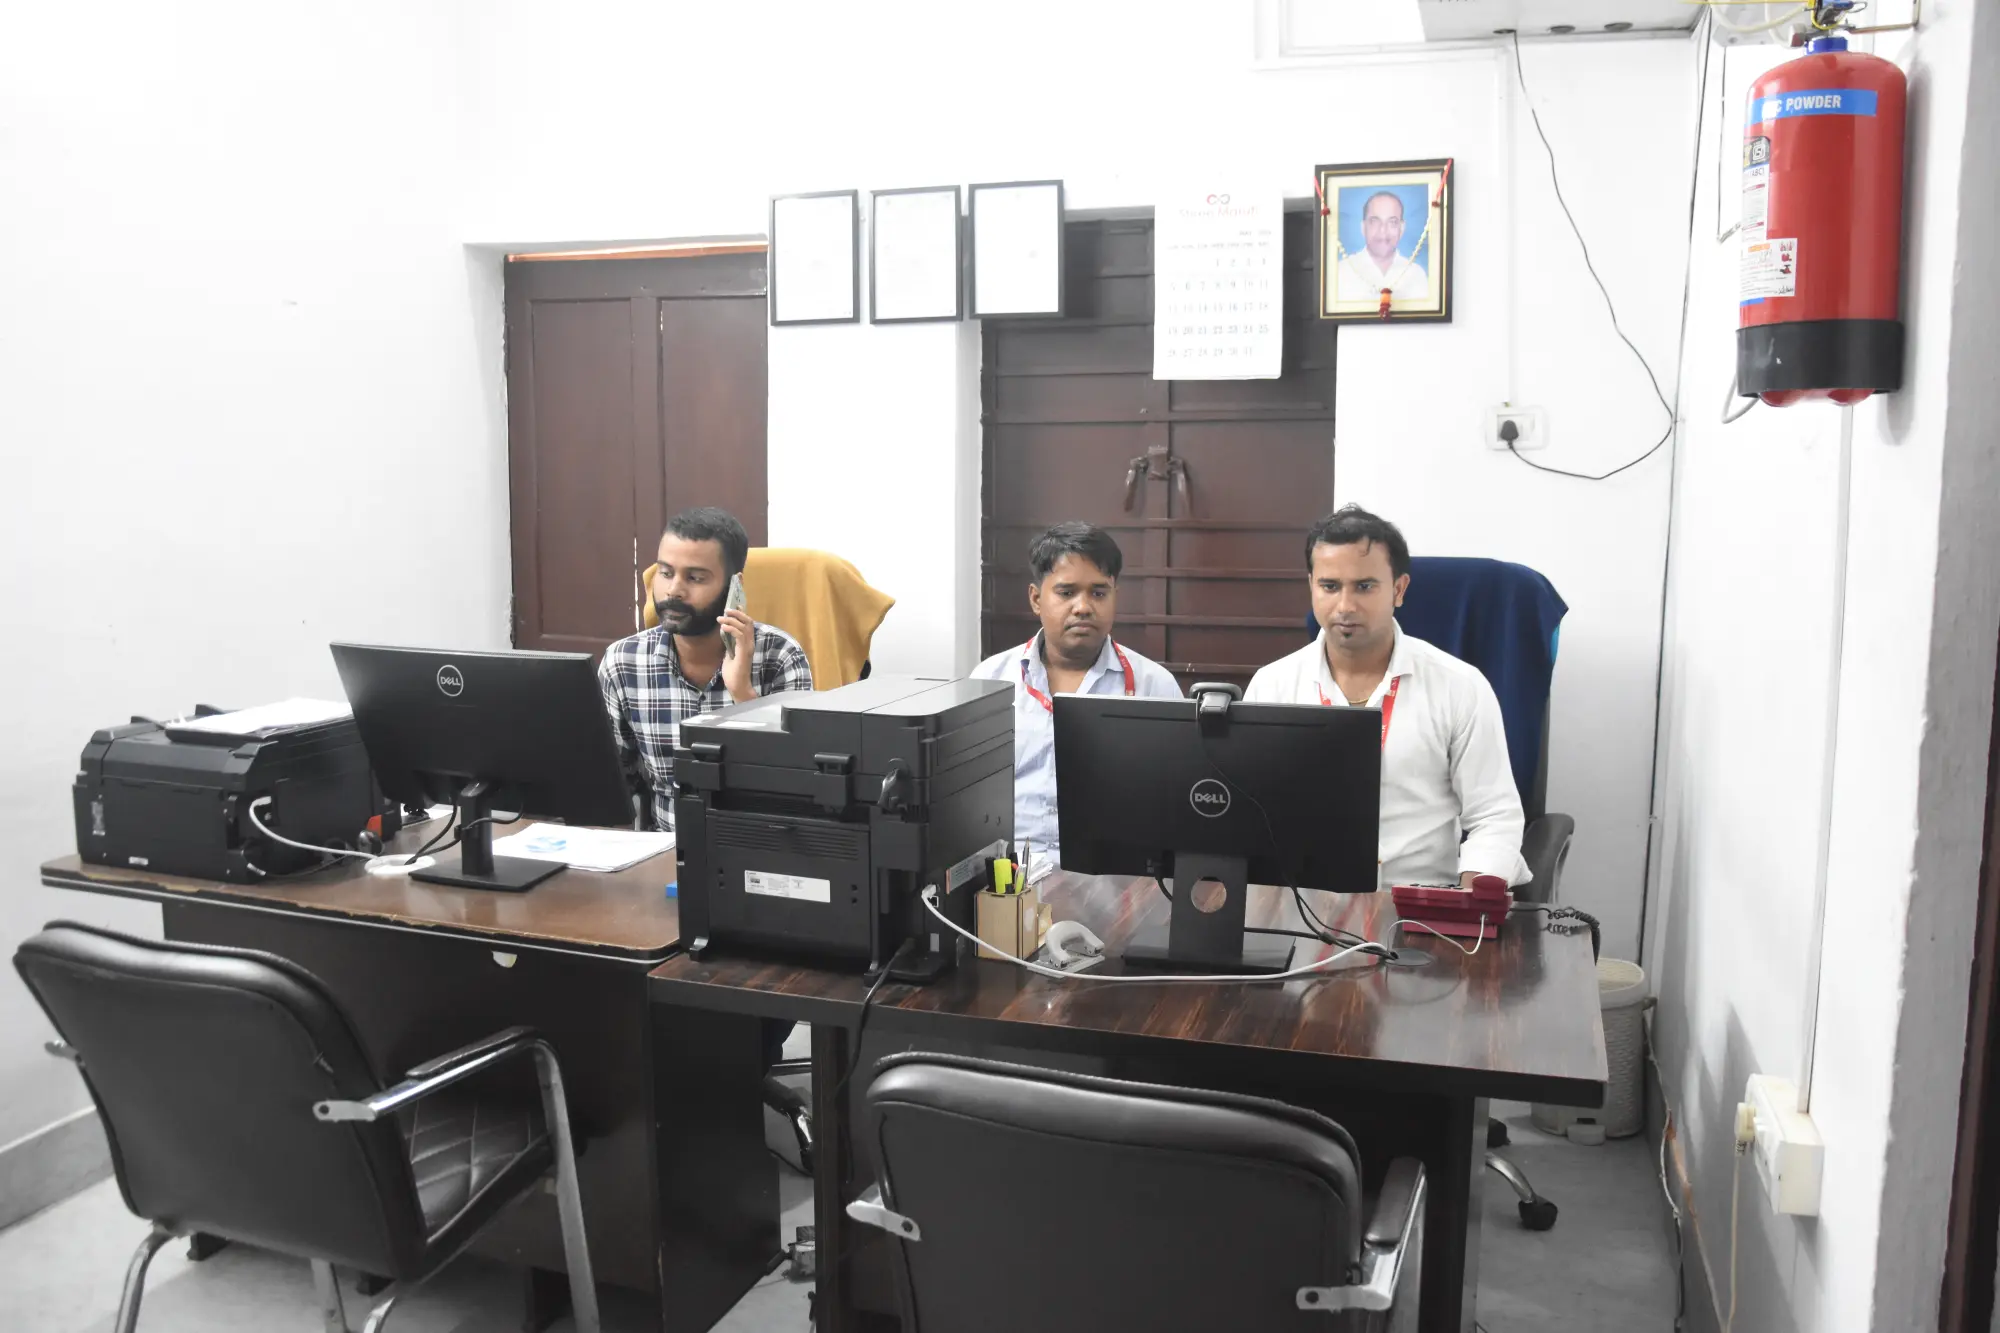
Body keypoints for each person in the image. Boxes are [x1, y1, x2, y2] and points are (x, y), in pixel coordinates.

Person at [1244, 505, 1527, 888]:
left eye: (1364, 586)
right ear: (1311, 586)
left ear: (1399, 589)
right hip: (1300, 899)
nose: (1345, 606)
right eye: (1330, 586)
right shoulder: (1272, 685)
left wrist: (1469, 899)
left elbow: (1494, 816)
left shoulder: (1459, 686)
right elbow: (1248, 811)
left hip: (1417, 900)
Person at [972, 523, 1183, 869]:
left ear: (1115, 597)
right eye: (1067, 592)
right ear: (1036, 599)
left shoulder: (1154, 687)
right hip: (1005, 875)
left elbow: (1176, 805)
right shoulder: (990, 681)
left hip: (1117, 877)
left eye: (1099, 593)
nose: (1083, 607)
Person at [598, 506, 813, 831]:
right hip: (666, 849)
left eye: (695, 578)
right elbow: (613, 781)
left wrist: (744, 695)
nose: (674, 590)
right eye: (666, 573)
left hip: (758, 845)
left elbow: (799, 782)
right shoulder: (623, 661)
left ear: (734, 586)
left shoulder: (780, 656)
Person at [1335, 190, 1432, 303]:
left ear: (1402, 228)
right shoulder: (1341, 272)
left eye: (1392, 222)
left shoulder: (1416, 275)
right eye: (1374, 221)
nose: (1383, 231)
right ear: (1363, 227)